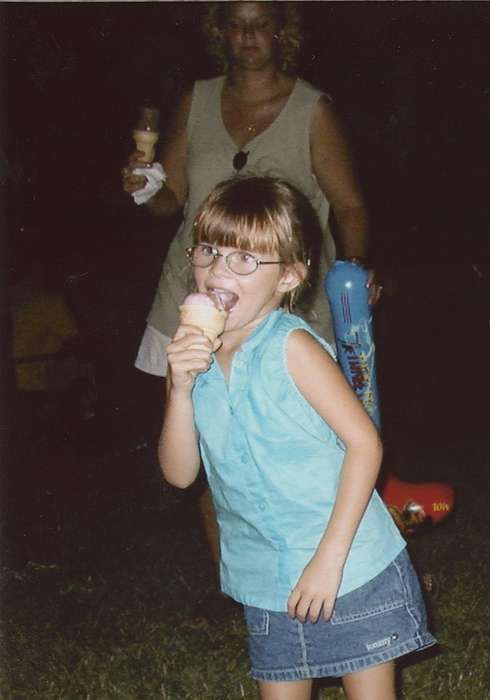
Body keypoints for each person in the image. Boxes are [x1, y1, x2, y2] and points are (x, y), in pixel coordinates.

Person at [122, 2, 378, 610]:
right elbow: (173, 205)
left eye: (260, 23)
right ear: (220, 34)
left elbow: (349, 207)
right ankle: (241, 587)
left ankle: (327, 570)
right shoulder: (197, 100)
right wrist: (145, 186)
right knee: (210, 441)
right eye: (234, 25)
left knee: (295, 445)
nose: (248, 37)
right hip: (194, 293)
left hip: (280, 302)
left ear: (281, 32)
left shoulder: (313, 109)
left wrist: (352, 274)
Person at [158, 177, 433, 695]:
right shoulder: (194, 357)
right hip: (265, 577)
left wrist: (329, 559)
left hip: (348, 564)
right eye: (210, 251)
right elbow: (179, 474)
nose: (219, 269)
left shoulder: (291, 347)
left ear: (288, 277)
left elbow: (364, 444)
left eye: (245, 259)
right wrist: (179, 388)